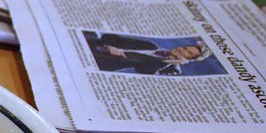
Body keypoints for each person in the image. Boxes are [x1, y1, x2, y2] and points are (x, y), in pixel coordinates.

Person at [84, 32, 212, 76]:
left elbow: (144, 70)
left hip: (103, 63)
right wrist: (109, 46)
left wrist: (170, 62)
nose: (182, 50)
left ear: (189, 59)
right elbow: (118, 39)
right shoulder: (151, 46)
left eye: (188, 52)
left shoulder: (170, 69)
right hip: (98, 47)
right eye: (184, 47)